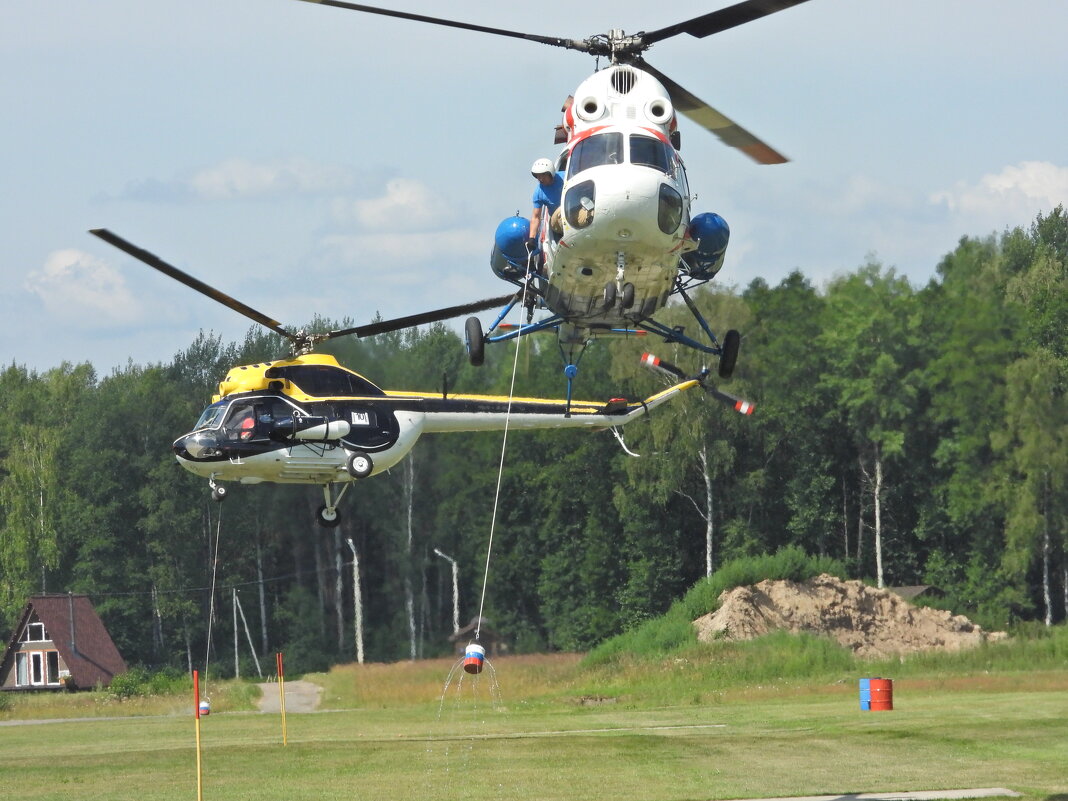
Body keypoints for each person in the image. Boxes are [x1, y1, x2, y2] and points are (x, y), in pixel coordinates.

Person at [528, 157, 564, 252]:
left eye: (543, 175)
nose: (540, 179)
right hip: (558, 221)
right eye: (537, 176)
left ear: (550, 174)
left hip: (573, 211)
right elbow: (536, 217)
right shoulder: (538, 193)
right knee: (562, 211)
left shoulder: (565, 177)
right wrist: (532, 238)